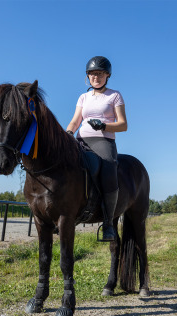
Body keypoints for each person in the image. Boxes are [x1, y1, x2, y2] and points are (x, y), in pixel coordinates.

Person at [65, 56, 127, 241]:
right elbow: (76, 120)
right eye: (92, 74)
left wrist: (104, 126)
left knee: (109, 171)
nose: (95, 77)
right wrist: (68, 132)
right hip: (81, 140)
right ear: (87, 76)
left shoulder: (115, 95)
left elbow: (123, 124)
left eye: (99, 74)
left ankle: (108, 224)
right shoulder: (83, 97)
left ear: (107, 75)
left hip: (103, 141)